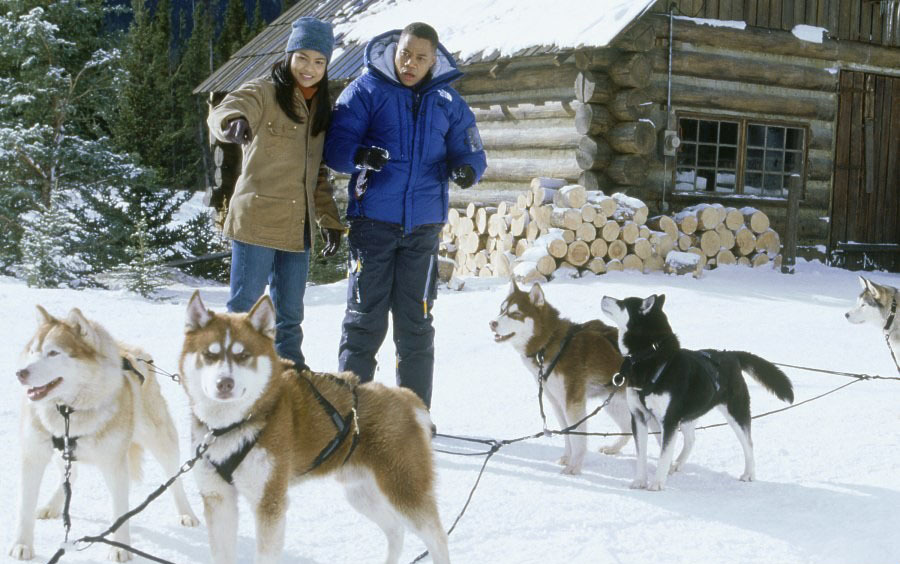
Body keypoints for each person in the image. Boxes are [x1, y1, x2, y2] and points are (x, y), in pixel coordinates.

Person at [324, 22, 487, 408]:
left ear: (434, 60)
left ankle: (414, 416)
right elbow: (336, 146)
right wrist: (360, 156)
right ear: (394, 50)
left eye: (420, 58)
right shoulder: (365, 90)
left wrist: (466, 169)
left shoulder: (448, 100)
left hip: (423, 228)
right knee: (364, 321)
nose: (409, 64)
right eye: (404, 54)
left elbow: (472, 149)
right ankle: (352, 412)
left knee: (416, 326)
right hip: (373, 225)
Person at [207, 16, 345, 370]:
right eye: (303, 58)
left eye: (319, 61)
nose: (310, 69)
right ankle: (232, 374)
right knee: (244, 309)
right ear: (289, 56)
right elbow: (225, 109)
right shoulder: (264, 92)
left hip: (296, 229)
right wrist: (231, 122)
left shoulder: (321, 108)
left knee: (290, 315)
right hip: (257, 220)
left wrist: (330, 220)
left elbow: (316, 176)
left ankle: (291, 374)